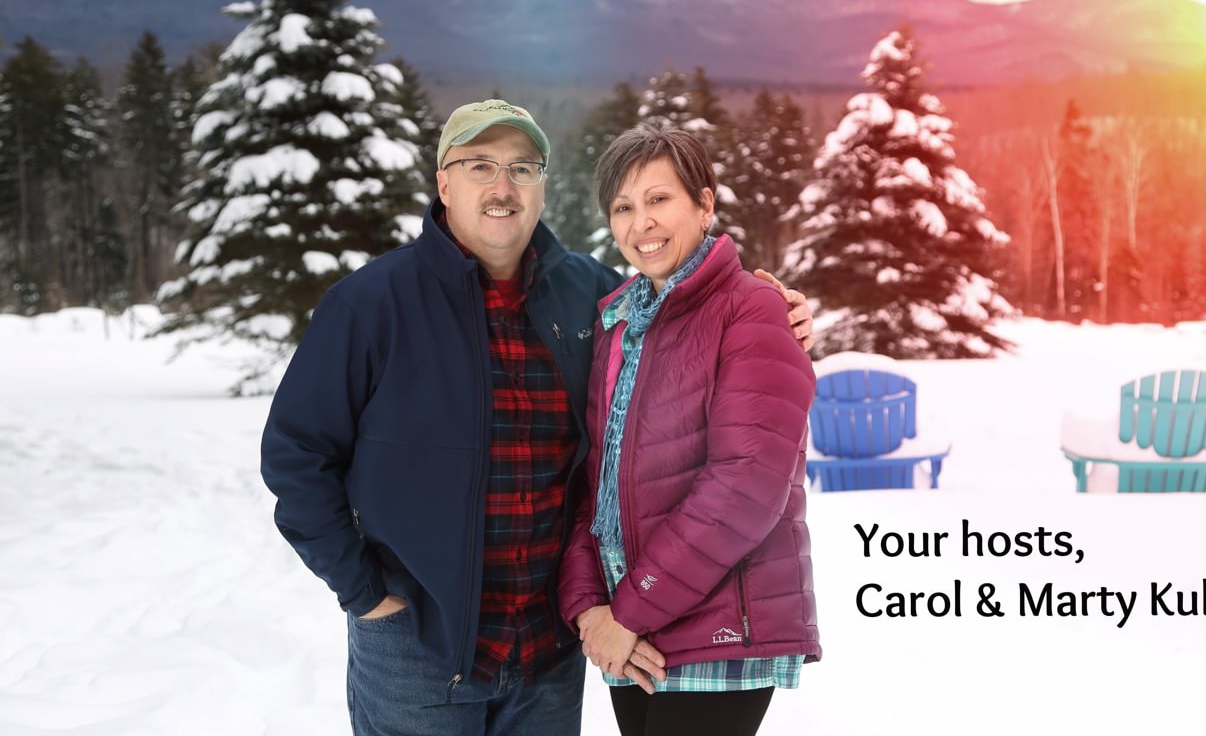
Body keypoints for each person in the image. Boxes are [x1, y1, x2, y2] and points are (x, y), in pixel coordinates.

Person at [260, 100, 811, 735]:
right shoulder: (371, 304)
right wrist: (364, 593)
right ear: (444, 181)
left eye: (523, 168)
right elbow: (295, 454)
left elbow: (675, 327)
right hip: (420, 646)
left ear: (543, 184)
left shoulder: (591, 295)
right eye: (481, 165)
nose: (503, 186)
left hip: (546, 651)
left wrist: (776, 310)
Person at [557, 123, 820, 736]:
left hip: (714, 626)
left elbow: (746, 487)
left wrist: (627, 610)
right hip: (634, 634)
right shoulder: (619, 321)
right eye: (623, 207)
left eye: (659, 199)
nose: (640, 223)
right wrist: (589, 609)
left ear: (704, 204)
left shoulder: (750, 308)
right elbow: (595, 482)